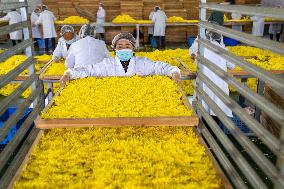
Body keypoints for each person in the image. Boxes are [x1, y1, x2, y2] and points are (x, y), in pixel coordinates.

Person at [60, 33, 181, 86]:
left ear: (133, 49)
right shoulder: (107, 64)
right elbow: (88, 70)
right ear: (115, 49)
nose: (123, 49)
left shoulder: (142, 62)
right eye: (120, 47)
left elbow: (159, 67)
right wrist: (69, 73)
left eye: (127, 46)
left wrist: (173, 71)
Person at [198, 31, 235, 123]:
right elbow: (232, 65)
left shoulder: (202, 49)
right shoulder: (223, 50)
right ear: (220, 38)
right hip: (219, 85)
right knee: (218, 111)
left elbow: (197, 63)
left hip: (206, 84)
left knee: (205, 110)